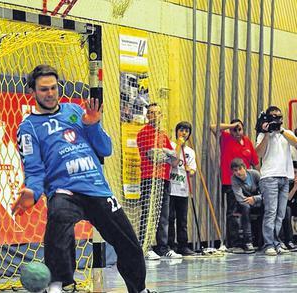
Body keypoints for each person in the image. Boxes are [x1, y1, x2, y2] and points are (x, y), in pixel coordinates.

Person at [11, 65, 152, 293]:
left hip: (96, 188)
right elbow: (35, 170)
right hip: (65, 191)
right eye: (44, 89)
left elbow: (105, 149)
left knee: (129, 244)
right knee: (58, 217)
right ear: (33, 92)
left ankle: (140, 290)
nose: (50, 93)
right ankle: (59, 286)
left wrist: (92, 124)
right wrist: (32, 192)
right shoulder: (28, 128)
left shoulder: (75, 111)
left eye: (54, 88)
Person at [137, 103, 181, 260]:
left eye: (157, 113)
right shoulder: (143, 133)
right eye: (151, 113)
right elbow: (153, 156)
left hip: (164, 179)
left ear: (161, 115)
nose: (154, 115)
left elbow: (175, 160)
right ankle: (145, 247)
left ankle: (163, 248)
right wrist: (167, 154)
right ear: (147, 116)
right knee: (148, 214)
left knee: (164, 216)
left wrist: (166, 153)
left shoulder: (163, 136)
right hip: (149, 178)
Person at [255, 105, 297, 256]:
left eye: (279, 116)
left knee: (280, 214)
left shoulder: (286, 133)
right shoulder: (263, 134)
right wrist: (267, 133)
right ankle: (268, 244)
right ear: (268, 117)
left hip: (285, 177)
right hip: (269, 177)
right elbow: (259, 154)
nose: (277, 119)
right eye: (273, 116)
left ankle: (276, 242)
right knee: (270, 212)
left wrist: (280, 130)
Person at [210, 119, 259, 249]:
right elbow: (213, 127)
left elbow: (255, 162)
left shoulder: (247, 141)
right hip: (230, 181)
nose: (237, 132)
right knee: (232, 212)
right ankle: (234, 243)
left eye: (239, 129)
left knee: (248, 209)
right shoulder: (225, 137)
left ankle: (250, 240)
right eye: (234, 129)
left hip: (247, 183)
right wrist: (231, 126)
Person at [168, 121, 197, 256]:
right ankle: (170, 246)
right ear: (177, 132)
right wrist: (179, 145)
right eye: (181, 130)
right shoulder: (171, 145)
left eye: (186, 131)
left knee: (182, 220)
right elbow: (173, 161)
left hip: (183, 190)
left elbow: (193, 171)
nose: (184, 133)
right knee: (170, 218)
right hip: (170, 188)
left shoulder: (191, 152)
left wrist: (189, 170)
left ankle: (183, 245)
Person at [230, 158, 263, 253]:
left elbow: (265, 193)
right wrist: (250, 200)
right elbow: (239, 197)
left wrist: (255, 198)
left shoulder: (255, 174)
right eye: (235, 171)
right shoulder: (234, 179)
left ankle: (263, 241)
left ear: (245, 168)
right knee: (245, 208)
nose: (238, 172)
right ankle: (248, 242)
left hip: (258, 201)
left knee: (266, 207)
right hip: (245, 203)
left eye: (240, 169)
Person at [280, 161, 297, 251]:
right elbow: (285, 200)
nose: (296, 175)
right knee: (287, 209)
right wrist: (294, 188)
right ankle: (289, 240)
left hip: (296, 206)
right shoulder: (285, 182)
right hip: (286, 206)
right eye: (294, 172)